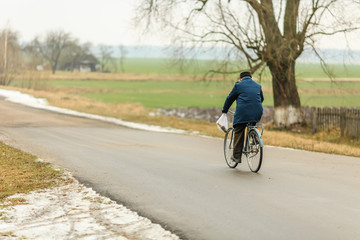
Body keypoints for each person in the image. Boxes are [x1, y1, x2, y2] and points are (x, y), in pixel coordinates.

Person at [222, 71, 264, 163]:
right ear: (250, 77)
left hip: (243, 112)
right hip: (257, 111)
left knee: (239, 130)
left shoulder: (238, 85)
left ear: (241, 78)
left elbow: (230, 98)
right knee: (252, 123)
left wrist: (225, 110)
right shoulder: (258, 86)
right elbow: (262, 99)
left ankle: (236, 157)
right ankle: (254, 135)